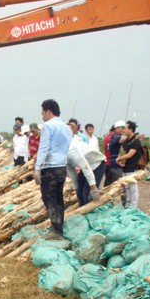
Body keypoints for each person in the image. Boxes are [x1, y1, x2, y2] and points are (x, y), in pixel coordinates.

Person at [34, 99, 72, 239]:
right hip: (62, 167)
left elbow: (43, 148)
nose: (42, 115)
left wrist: (38, 167)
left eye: (43, 112)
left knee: (49, 198)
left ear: (48, 111)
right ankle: (58, 226)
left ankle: (56, 230)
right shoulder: (67, 128)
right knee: (58, 197)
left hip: (50, 167)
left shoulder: (48, 126)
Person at [66, 118, 104, 206]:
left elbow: (84, 166)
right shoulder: (62, 151)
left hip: (97, 163)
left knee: (87, 194)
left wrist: (93, 188)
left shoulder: (71, 149)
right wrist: (76, 186)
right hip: (87, 166)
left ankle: (90, 214)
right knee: (79, 192)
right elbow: (71, 170)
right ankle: (83, 211)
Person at [115, 121, 143, 208]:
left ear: (131, 129)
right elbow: (122, 152)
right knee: (126, 187)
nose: (124, 130)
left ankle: (133, 206)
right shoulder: (126, 140)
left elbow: (130, 155)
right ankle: (127, 205)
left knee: (133, 188)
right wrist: (120, 160)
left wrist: (118, 159)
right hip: (125, 167)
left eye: (125, 128)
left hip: (133, 167)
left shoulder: (136, 141)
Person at [104, 120, 126, 186]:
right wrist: (133, 136)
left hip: (112, 164)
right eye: (122, 127)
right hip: (115, 165)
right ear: (117, 128)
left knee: (109, 183)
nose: (124, 130)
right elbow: (122, 140)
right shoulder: (116, 137)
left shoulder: (113, 137)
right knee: (119, 184)